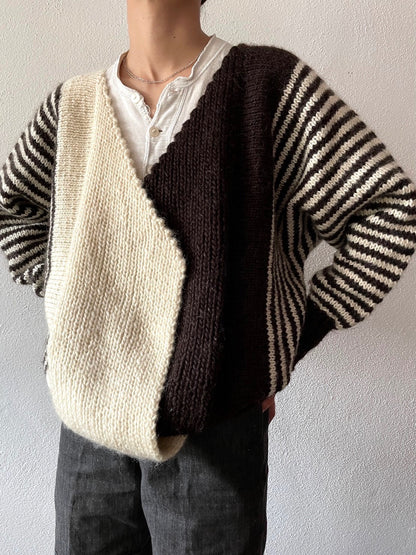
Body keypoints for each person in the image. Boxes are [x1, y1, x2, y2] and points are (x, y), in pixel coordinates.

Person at [1, 0, 415, 553]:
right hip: (87, 419)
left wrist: (283, 340)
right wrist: (71, 291)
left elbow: (390, 210)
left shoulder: (269, 88)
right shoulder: (73, 106)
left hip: (215, 421)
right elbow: (15, 209)